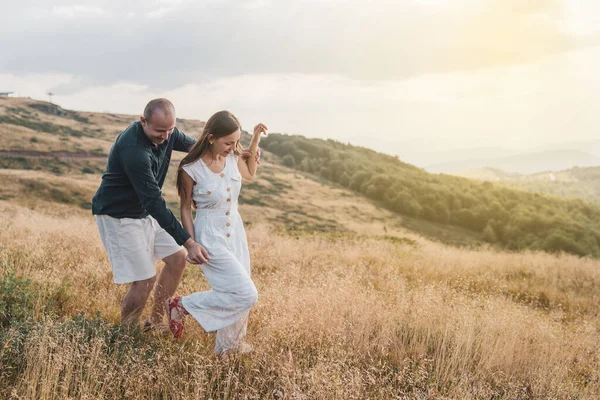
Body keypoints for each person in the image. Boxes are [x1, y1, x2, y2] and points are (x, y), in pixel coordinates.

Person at [92, 98, 210, 327]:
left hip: (144, 212)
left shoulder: (167, 132)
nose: (165, 137)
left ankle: (155, 321)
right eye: (159, 131)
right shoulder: (133, 150)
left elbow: (198, 147)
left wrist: (236, 152)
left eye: (170, 129)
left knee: (177, 260)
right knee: (144, 279)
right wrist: (189, 241)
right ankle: (126, 334)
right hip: (119, 216)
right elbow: (155, 203)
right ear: (143, 121)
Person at [165, 110, 266, 355]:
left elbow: (250, 173)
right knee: (246, 293)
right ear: (211, 138)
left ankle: (229, 349)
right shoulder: (190, 168)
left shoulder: (232, 157)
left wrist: (254, 141)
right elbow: (185, 209)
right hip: (210, 236)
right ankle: (182, 305)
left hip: (236, 231)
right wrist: (190, 243)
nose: (233, 148)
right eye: (228, 142)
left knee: (234, 291)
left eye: (235, 142)